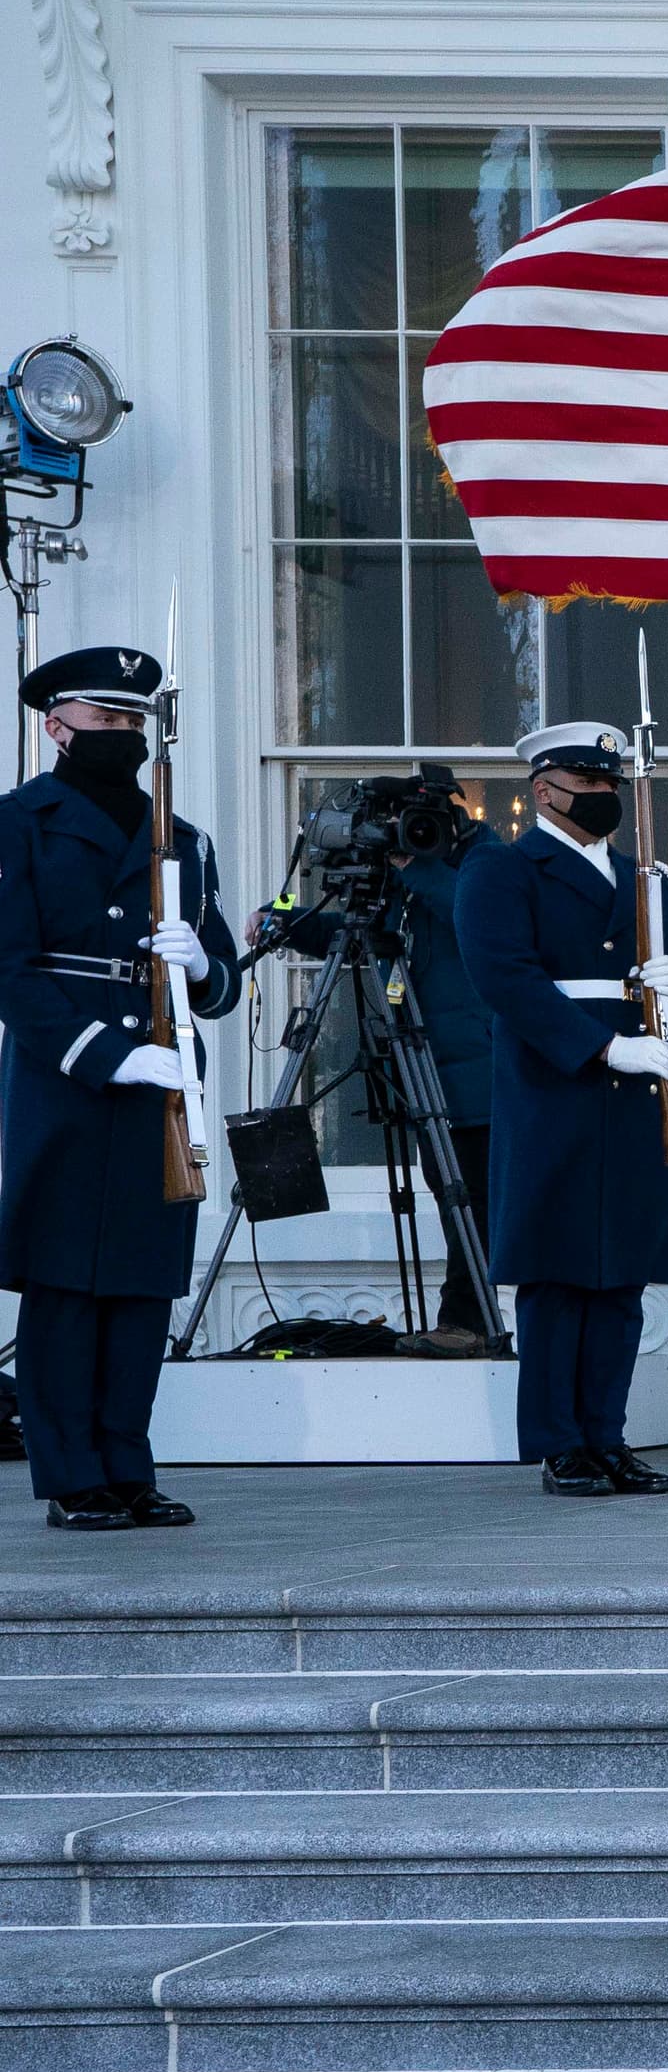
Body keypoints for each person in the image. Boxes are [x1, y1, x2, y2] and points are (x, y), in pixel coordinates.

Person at [0, 644, 243, 1530]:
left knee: (142, 1284)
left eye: (132, 722)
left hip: (166, 1073)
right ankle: (71, 1476)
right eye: (105, 720)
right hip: (71, 1078)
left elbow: (224, 981)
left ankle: (127, 1463)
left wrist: (205, 962)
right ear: (56, 725)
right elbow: (12, 970)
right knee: (67, 1284)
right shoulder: (19, 822)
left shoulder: (183, 835)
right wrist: (103, 1053)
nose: (123, 735)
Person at [454, 721, 668, 1498]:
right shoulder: (503, 872)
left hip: (641, 1100)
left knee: (620, 1281)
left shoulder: (651, 881)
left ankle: (608, 1436)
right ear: (545, 789)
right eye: (591, 783)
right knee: (558, 1277)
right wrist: (603, 1048)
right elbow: (508, 982)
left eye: (613, 784)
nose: (605, 796)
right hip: (557, 1093)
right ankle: (558, 1442)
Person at [254, 773, 500, 1341]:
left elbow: (481, 916)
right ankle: (463, 1322)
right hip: (422, 1068)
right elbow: (355, 928)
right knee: (450, 1191)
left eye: (422, 821)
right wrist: (285, 917)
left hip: (476, 1075)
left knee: (472, 1201)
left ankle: (464, 1322)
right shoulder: (395, 876)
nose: (410, 834)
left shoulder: (484, 857)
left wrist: (420, 867)